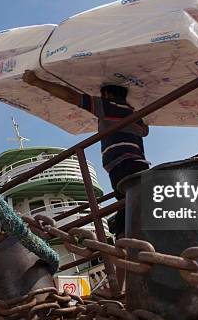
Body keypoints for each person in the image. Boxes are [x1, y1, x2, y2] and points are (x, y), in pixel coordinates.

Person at [22, 70, 150, 237]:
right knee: (130, 202)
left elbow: (71, 96)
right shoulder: (134, 116)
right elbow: (145, 131)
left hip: (122, 164)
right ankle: (125, 238)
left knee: (128, 203)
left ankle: (122, 238)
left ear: (107, 94)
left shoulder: (107, 106)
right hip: (137, 163)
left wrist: (37, 81)